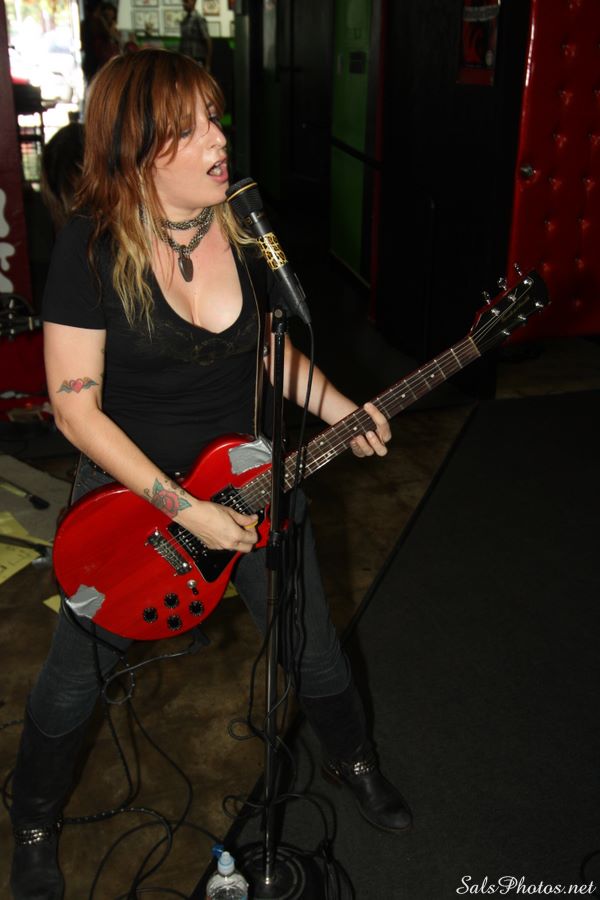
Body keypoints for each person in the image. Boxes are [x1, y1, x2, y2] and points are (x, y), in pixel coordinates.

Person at [8, 49, 411, 900]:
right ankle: (34, 819)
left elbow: (269, 352)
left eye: (214, 118)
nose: (217, 139)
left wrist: (340, 408)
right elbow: (76, 412)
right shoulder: (89, 246)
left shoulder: (247, 227)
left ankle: (355, 760)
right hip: (132, 494)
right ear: (138, 150)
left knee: (313, 649)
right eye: (188, 129)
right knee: (74, 677)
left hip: (249, 479)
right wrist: (185, 509)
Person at [180, 0, 212, 69]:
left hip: (196, 59)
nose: (184, 4)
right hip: (186, 59)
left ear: (193, 2)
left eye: (186, 1)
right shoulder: (185, 20)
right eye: (183, 2)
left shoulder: (198, 19)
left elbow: (207, 41)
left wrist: (207, 64)